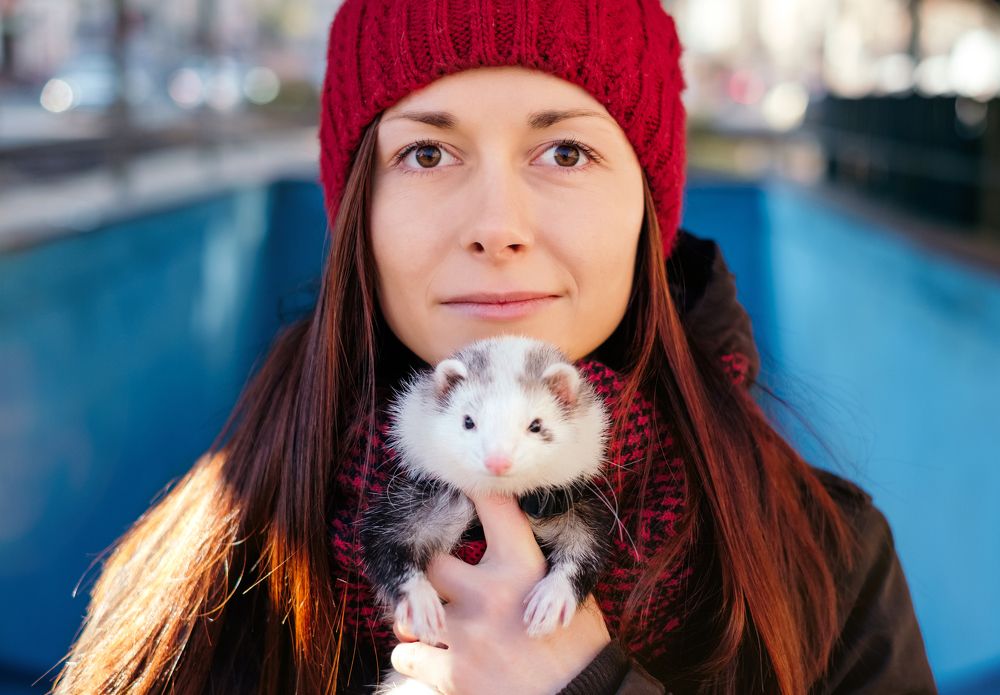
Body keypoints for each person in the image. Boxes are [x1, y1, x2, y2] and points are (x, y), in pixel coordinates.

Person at [51, 1, 938, 694]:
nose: (497, 227)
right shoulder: (197, 582)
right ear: (358, 205)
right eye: (429, 155)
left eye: (564, 150)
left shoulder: (824, 563)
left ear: (645, 203)